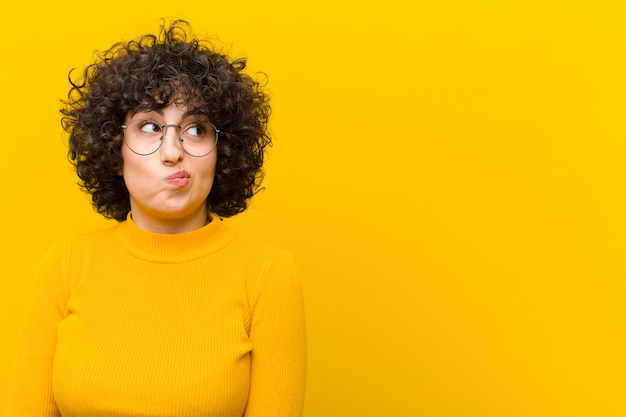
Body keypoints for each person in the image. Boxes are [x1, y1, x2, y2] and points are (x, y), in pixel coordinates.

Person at [5, 20, 306, 417]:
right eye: (149, 126)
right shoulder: (65, 265)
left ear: (223, 151)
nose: (172, 151)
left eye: (195, 129)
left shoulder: (267, 275)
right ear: (115, 150)